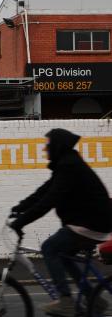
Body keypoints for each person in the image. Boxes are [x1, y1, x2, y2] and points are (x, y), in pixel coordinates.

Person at [10, 128, 112, 317]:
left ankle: (65, 302)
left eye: (47, 145)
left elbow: (50, 200)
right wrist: (20, 207)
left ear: (57, 146)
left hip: (91, 223)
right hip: (90, 221)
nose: (44, 149)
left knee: (50, 247)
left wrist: (21, 222)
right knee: (63, 254)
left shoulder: (69, 167)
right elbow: (45, 191)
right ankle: (93, 299)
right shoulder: (66, 164)